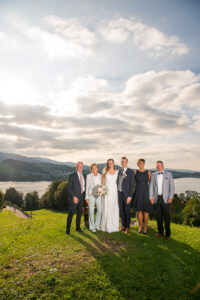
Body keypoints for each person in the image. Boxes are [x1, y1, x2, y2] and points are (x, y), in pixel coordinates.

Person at [149, 160, 175, 240]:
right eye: (157, 166)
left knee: (166, 217)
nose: (158, 167)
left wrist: (170, 197)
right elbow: (151, 187)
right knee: (159, 217)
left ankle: (167, 235)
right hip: (157, 198)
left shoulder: (169, 174)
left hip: (166, 199)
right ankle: (160, 232)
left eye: (160, 165)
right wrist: (151, 197)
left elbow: (172, 187)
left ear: (163, 166)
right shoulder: (153, 175)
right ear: (156, 167)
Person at [66, 161, 86, 235]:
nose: (80, 167)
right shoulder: (72, 175)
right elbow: (69, 188)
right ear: (76, 167)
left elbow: (84, 187)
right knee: (71, 214)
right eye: (79, 166)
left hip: (81, 197)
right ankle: (67, 230)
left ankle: (78, 228)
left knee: (79, 213)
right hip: (74, 198)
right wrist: (73, 197)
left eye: (81, 166)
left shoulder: (84, 175)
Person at [101, 159, 119, 233]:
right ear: (107, 164)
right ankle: (107, 226)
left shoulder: (117, 172)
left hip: (114, 192)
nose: (110, 164)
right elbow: (103, 183)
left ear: (114, 163)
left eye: (111, 163)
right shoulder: (105, 172)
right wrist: (102, 192)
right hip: (107, 192)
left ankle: (114, 226)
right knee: (107, 208)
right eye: (109, 163)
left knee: (114, 207)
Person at [117, 157, 135, 234]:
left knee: (127, 211)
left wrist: (130, 196)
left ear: (127, 163)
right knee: (121, 211)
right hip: (119, 193)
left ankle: (127, 227)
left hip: (127, 195)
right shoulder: (119, 171)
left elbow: (133, 185)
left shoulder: (130, 172)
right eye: (122, 162)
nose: (123, 163)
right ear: (121, 163)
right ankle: (123, 226)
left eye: (124, 162)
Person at [134, 159, 152, 234]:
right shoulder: (135, 172)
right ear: (138, 164)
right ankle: (140, 226)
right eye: (139, 163)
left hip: (146, 193)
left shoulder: (148, 172)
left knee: (146, 211)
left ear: (144, 164)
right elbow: (133, 183)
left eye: (142, 163)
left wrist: (152, 195)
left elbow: (151, 184)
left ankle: (145, 227)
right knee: (139, 211)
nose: (141, 164)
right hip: (138, 193)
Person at [85, 163, 102, 232]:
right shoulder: (88, 176)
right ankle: (92, 227)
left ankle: (97, 225)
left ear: (97, 168)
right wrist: (86, 197)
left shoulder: (100, 176)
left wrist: (101, 192)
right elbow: (87, 187)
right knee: (91, 211)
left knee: (100, 210)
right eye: (93, 168)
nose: (94, 169)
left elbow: (102, 186)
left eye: (95, 168)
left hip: (98, 195)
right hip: (91, 195)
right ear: (91, 169)